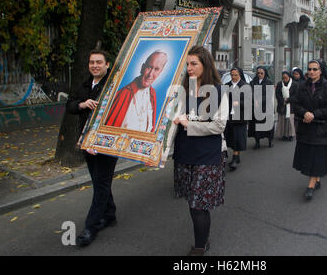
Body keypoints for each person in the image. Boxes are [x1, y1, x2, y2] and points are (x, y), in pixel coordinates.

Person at [173, 46, 229, 256]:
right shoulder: (183, 90)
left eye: (194, 63)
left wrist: (189, 124)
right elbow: (174, 120)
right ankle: (203, 238)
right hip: (185, 153)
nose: (189, 68)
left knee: (199, 204)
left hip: (209, 155)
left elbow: (218, 126)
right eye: (187, 64)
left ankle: (199, 247)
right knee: (193, 201)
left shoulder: (218, 91)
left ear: (205, 65)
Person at [66, 49, 118, 247]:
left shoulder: (113, 86)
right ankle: (110, 214)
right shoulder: (86, 84)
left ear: (107, 65)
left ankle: (91, 227)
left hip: (105, 144)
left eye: (99, 62)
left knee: (101, 183)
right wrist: (82, 104)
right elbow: (69, 105)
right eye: (91, 62)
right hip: (86, 141)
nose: (94, 65)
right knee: (99, 181)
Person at [293, 60, 327, 201]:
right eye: (309, 69)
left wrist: (314, 115)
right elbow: (296, 104)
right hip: (305, 129)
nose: (311, 72)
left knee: (315, 157)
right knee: (309, 157)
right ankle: (316, 178)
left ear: (320, 71)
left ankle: (310, 186)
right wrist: (304, 113)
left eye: (315, 69)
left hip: (321, 129)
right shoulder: (302, 86)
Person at [105, 50, 167, 132]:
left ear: (160, 72)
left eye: (156, 69)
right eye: (149, 67)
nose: (150, 74)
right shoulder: (124, 93)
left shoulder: (152, 94)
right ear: (142, 67)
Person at [224, 67, 249, 171]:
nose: (233, 77)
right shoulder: (227, 86)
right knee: (230, 137)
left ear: (240, 75)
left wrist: (239, 103)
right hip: (229, 117)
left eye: (236, 75)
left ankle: (234, 159)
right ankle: (236, 156)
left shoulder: (245, 86)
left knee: (238, 138)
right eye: (232, 75)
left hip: (240, 117)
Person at [248, 66, 274, 149]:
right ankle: (257, 142)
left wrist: (258, 101)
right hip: (256, 108)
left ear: (265, 73)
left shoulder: (269, 82)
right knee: (256, 126)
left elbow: (268, 95)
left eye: (261, 73)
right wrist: (254, 100)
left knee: (268, 126)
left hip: (266, 107)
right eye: (258, 73)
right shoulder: (253, 82)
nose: (259, 75)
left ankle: (270, 141)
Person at [275, 71, 298, 141]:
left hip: (291, 106)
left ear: (289, 77)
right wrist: (282, 100)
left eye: (286, 77)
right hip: (282, 105)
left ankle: (290, 135)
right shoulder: (279, 84)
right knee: (282, 121)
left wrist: (288, 100)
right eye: (283, 78)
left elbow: (296, 95)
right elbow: (277, 94)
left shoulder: (295, 84)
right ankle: (283, 134)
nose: (284, 79)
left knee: (290, 121)